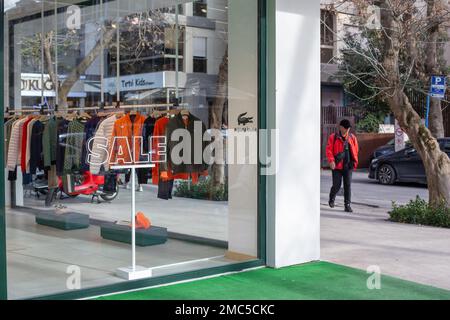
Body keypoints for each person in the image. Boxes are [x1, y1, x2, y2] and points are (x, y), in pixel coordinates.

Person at [326, 119, 359, 213]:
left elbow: (356, 150)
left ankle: (347, 205)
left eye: (348, 128)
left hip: (348, 166)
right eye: (346, 128)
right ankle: (331, 199)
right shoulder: (333, 137)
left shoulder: (352, 137)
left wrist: (354, 162)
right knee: (336, 185)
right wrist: (331, 161)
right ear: (341, 128)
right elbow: (328, 150)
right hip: (336, 166)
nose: (347, 130)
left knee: (347, 186)